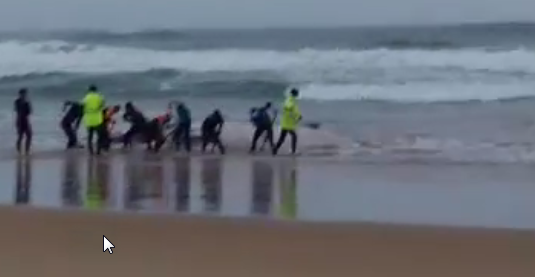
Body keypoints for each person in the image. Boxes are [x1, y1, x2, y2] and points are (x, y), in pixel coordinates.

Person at [273, 88, 301, 155]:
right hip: (288, 123)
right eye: (297, 93)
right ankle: (293, 151)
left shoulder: (289, 99)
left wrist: (298, 116)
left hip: (286, 122)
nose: (298, 94)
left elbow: (293, 110)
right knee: (294, 136)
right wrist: (298, 116)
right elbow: (290, 108)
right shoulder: (291, 100)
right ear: (295, 94)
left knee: (282, 138)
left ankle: (275, 149)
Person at [82, 85, 105, 155]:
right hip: (97, 120)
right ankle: (98, 151)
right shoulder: (99, 97)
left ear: (89, 90)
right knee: (100, 136)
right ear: (96, 90)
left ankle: (91, 152)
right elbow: (102, 104)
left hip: (88, 120)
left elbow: (83, 105)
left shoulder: (86, 98)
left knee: (90, 136)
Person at [14, 88, 32, 154]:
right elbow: (17, 110)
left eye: (25, 93)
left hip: (26, 120)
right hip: (19, 120)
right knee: (20, 136)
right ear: (20, 94)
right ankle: (19, 152)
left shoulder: (27, 102)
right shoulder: (17, 101)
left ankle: (27, 151)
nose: (24, 95)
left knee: (29, 136)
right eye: (23, 93)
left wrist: (27, 105)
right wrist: (24, 104)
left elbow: (29, 112)